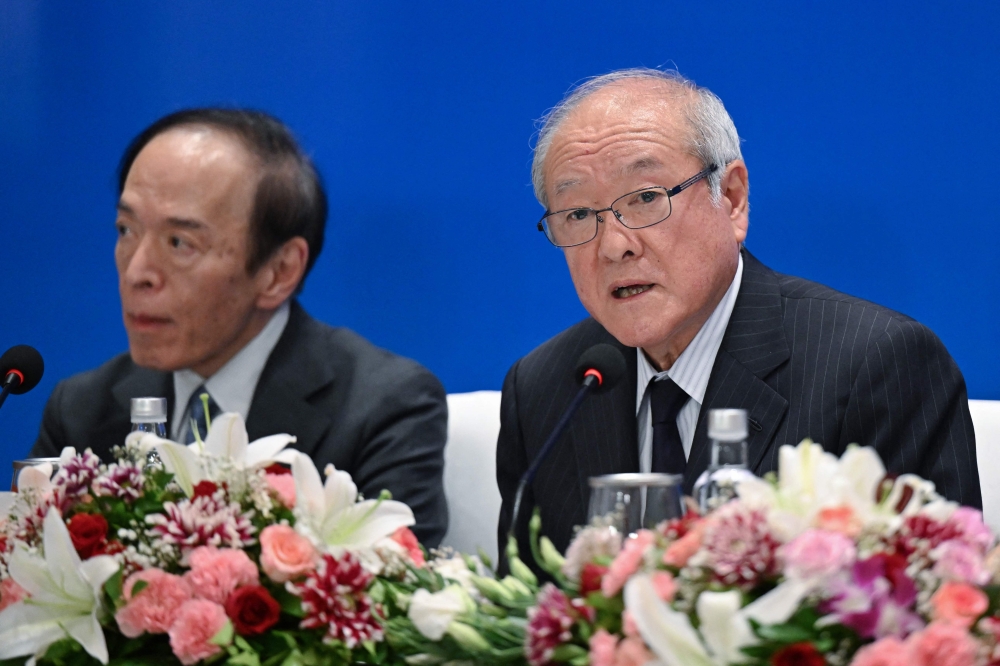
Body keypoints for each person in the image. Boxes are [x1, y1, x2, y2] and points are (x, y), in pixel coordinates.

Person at [496, 68, 980, 555]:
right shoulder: (547, 388)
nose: (613, 246)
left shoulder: (875, 366)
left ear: (731, 199)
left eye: (645, 198)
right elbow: (525, 618)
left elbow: (930, 601)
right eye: (578, 214)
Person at [32, 108, 449, 545]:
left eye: (179, 242)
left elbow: (393, 597)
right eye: (126, 229)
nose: (137, 272)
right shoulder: (81, 410)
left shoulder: (382, 408)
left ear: (279, 271)